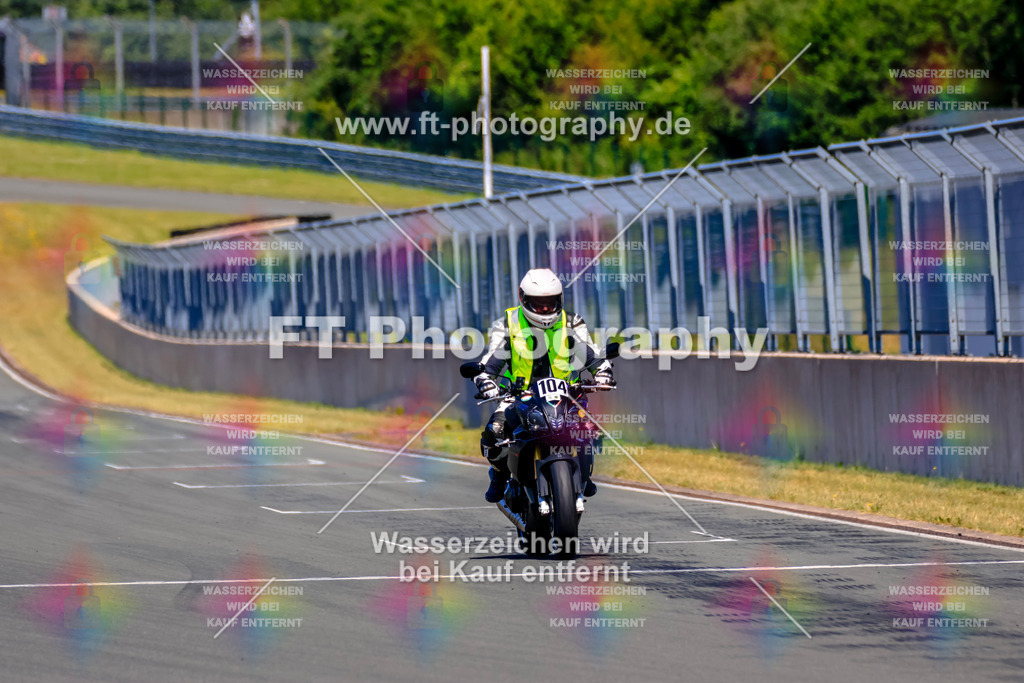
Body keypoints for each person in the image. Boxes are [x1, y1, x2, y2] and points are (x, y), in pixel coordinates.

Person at [473, 268, 613, 503]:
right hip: (519, 395)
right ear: (523, 298)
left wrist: (603, 372)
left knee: (592, 430)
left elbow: (591, 354)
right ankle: (498, 475)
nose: (545, 309)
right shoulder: (508, 324)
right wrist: (485, 380)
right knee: (494, 433)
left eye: (550, 303)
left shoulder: (572, 322)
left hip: (567, 394)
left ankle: (584, 475)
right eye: (539, 304)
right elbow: (490, 362)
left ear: (560, 300)